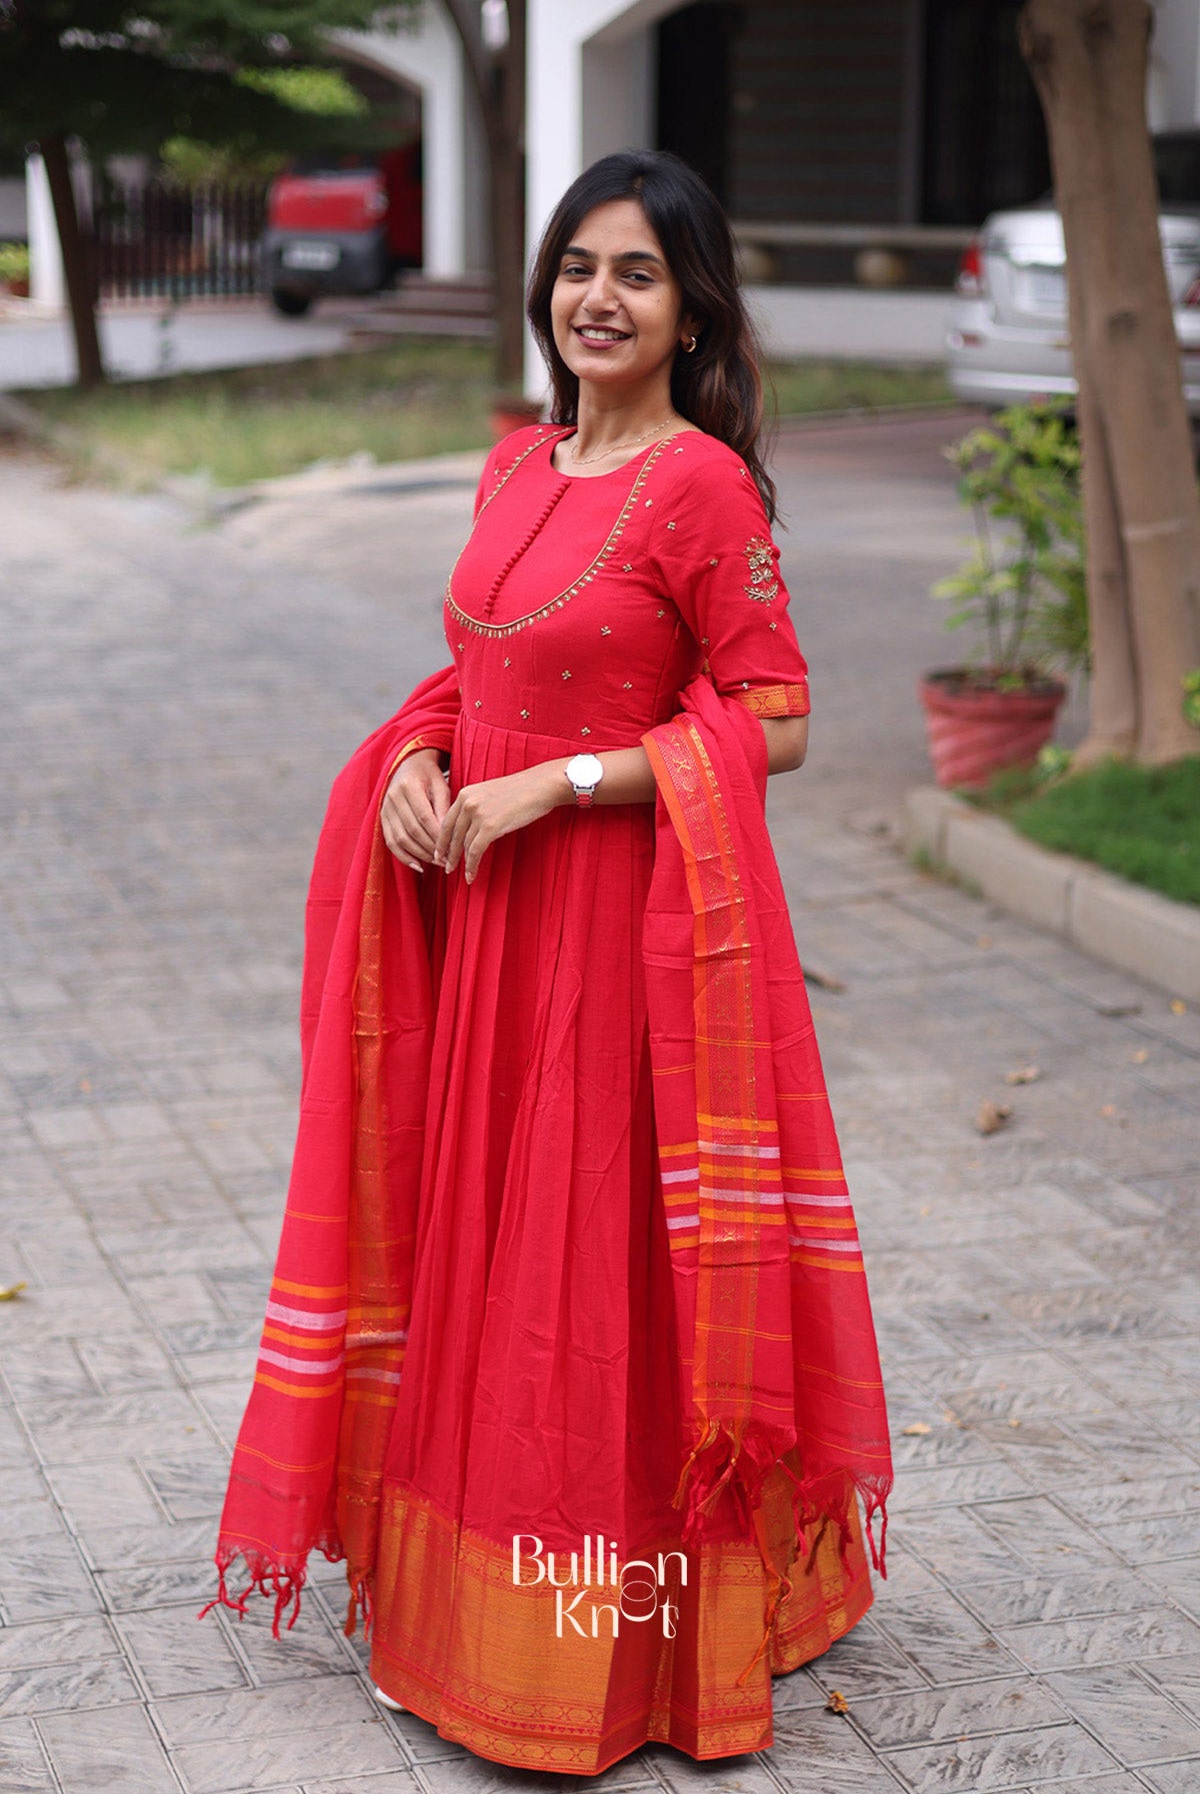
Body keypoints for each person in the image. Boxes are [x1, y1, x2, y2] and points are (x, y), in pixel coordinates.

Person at [206, 149, 894, 1777]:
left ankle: (611, 1646)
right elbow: (478, 666)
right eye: (580, 265)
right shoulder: (517, 466)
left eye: (639, 274)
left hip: (620, 939)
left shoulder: (707, 490)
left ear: (691, 308)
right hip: (486, 930)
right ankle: (466, 1607)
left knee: (590, 1266)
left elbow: (777, 723)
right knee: (485, 1250)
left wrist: (556, 784)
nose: (600, 296)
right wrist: (421, 761)